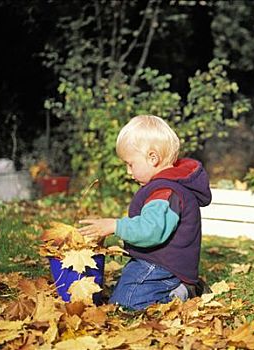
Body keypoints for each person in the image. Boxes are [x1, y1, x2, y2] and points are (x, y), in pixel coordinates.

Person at [79, 115, 212, 310]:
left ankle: (182, 293)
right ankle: (180, 286)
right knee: (126, 287)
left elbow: (151, 231)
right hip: (158, 262)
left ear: (153, 158)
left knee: (125, 304)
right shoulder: (166, 186)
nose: (128, 171)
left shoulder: (165, 193)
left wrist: (115, 226)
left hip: (162, 267)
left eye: (130, 164)